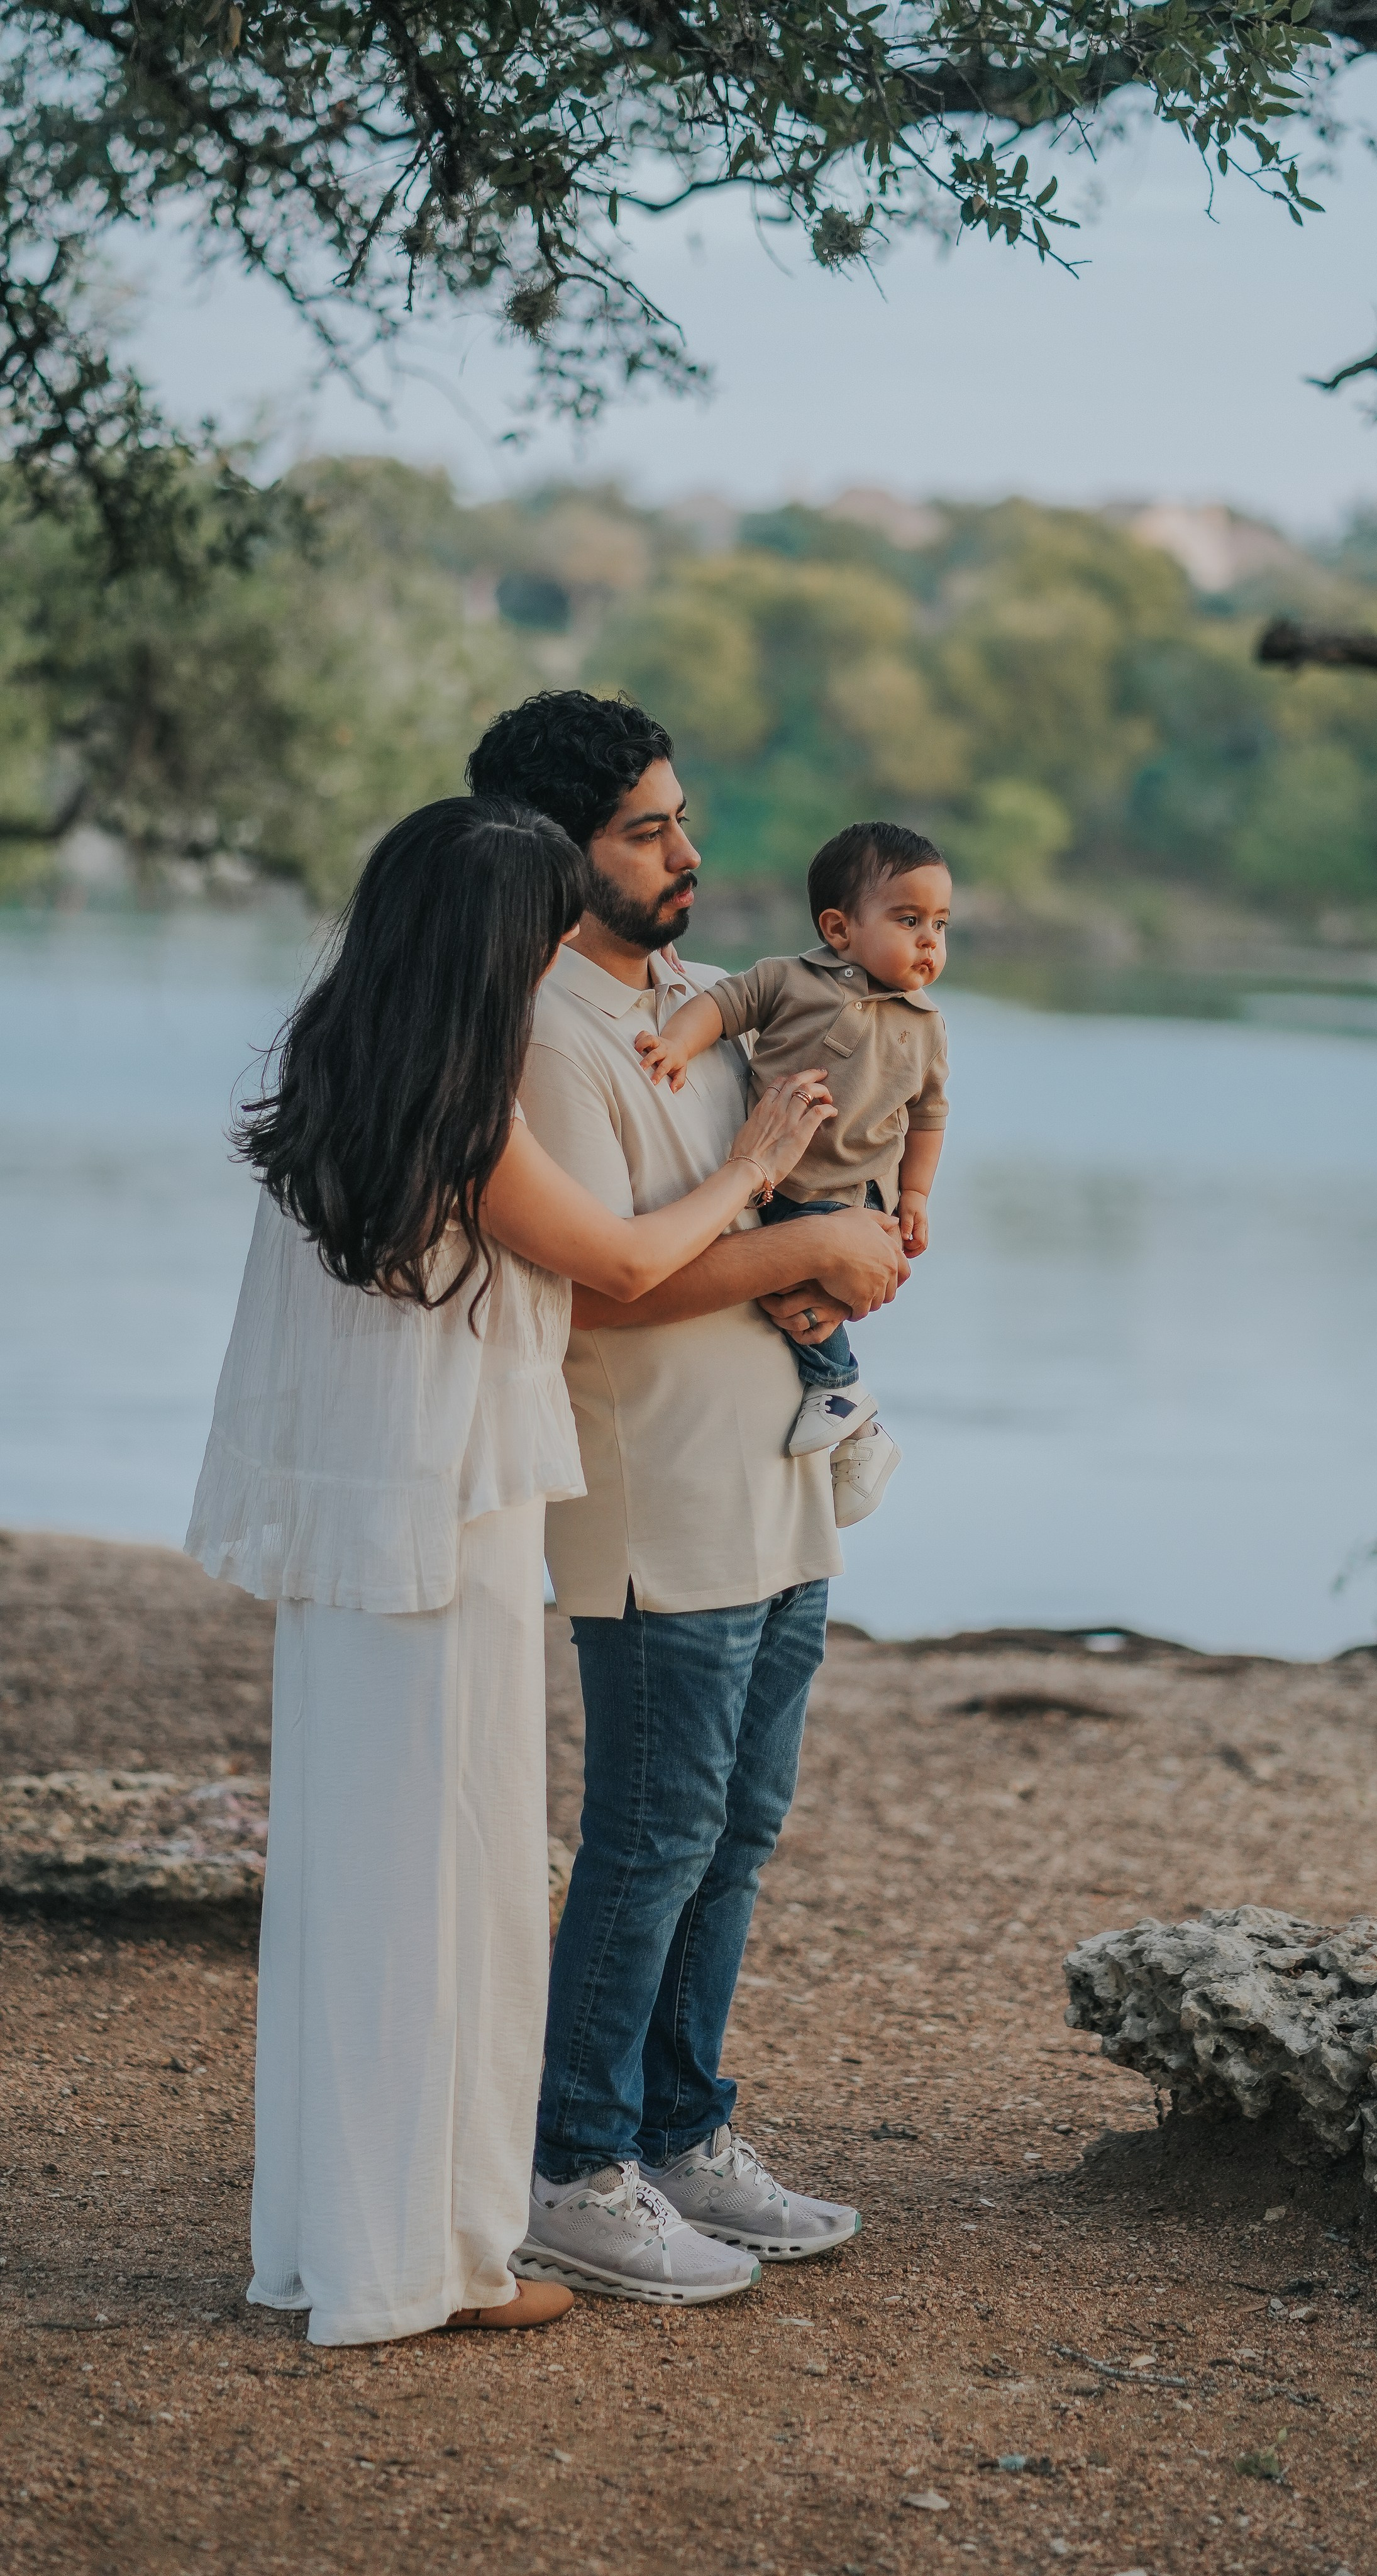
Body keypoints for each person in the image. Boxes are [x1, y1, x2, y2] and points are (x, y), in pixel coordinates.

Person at [184, 796, 839, 2346]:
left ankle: (357, 2235)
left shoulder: (338, 1073)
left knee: (361, 1889)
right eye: (545, 927)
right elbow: (615, 1265)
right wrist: (754, 1166)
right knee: (446, 1886)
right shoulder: (459, 1116)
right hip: (446, 1524)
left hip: (369, 1535)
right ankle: (423, 2259)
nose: (561, 950)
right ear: (499, 943)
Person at [464, 696, 911, 2306]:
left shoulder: (702, 1003)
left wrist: (850, 1241)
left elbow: (794, 1184)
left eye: (680, 817)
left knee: (735, 1832)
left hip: (774, 1479)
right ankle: (568, 2164)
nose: (689, 851)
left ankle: (675, 2131)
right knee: (651, 1836)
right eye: (648, 827)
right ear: (551, 848)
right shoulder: (538, 1030)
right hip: (658, 1497)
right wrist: (800, 1254)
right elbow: (594, 1293)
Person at [634, 819, 951, 1495]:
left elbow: (928, 1115)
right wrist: (679, 1046)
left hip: (853, 1194)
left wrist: (916, 1197)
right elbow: (722, 1006)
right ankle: (853, 1416)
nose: (929, 941)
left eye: (941, 925)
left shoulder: (926, 1023)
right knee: (774, 1278)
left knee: (810, 1287)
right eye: (908, 920)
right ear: (839, 930)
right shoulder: (791, 980)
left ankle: (841, 1395)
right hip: (778, 1175)